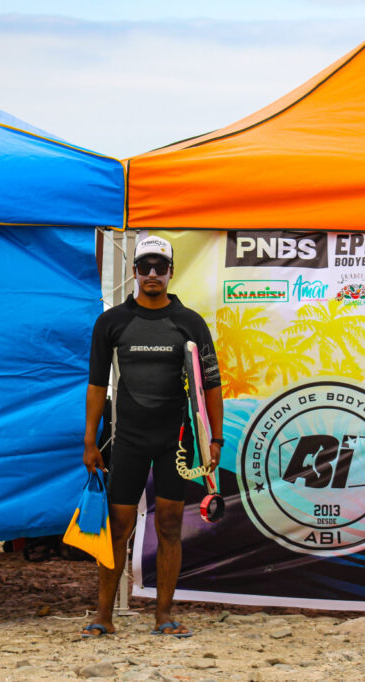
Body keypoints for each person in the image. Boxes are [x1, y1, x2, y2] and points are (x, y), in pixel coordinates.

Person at [80, 235, 222, 639]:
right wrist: (90, 441)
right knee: (119, 526)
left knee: (171, 526)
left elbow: (210, 384)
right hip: (127, 439)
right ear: (135, 272)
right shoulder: (112, 322)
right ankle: (103, 615)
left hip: (174, 441)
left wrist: (215, 440)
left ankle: (164, 615)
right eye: (146, 267)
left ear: (171, 272)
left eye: (161, 267)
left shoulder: (190, 322)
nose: (153, 274)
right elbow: (95, 385)